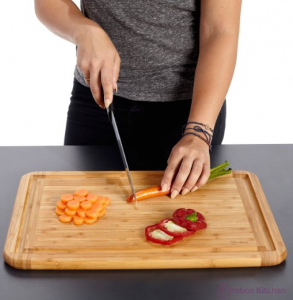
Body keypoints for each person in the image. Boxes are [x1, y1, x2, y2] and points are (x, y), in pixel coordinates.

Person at [34, 0, 242, 198]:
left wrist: (198, 132)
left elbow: (220, 31)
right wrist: (84, 30)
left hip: (188, 115)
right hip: (97, 102)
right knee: (80, 211)